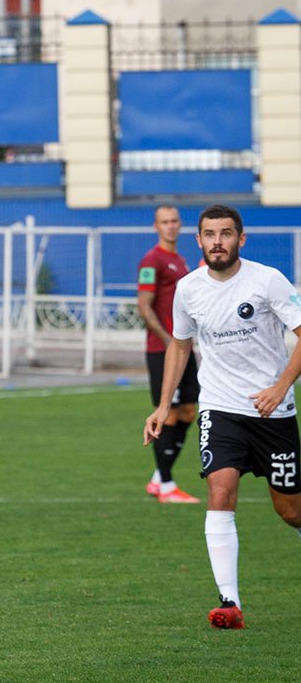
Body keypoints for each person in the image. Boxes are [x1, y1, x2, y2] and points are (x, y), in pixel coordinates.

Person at [144, 204, 301, 629]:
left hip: (274, 410)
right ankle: (229, 602)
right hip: (221, 407)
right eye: (210, 234)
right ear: (199, 240)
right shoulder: (189, 288)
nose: (218, 241)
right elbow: (180, 346)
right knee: (220, 489)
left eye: (226, 233)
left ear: (241, 239)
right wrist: (163, 406)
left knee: (290, 510)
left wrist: (280, 386)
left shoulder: (267, 280)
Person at [137, 204, 200, 504]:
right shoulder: (152, 260)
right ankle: (166, 486)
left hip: (184, 349)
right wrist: (168, 340)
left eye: (175, 221)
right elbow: (144, 305)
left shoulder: (179, 261)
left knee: (189, 411)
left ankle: (157, 478)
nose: (171, 226)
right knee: (169, 414)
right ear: (155, 226)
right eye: (165, 222)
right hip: (164, 351)